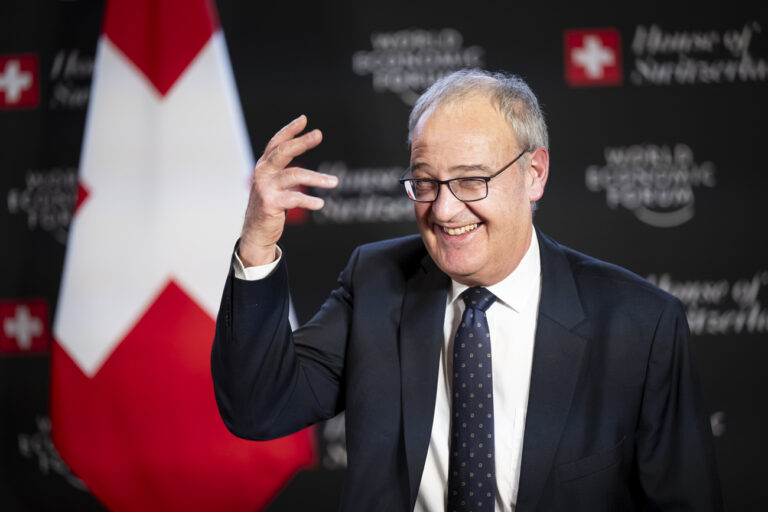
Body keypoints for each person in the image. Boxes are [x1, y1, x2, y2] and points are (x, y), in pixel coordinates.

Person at [211, 69, 722, 511]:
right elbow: (259, 406)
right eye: (426, 182)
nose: (445, 210)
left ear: (534, 174)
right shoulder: (376, 281)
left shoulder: (641, 325)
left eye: (472, 180)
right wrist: (257, 242)